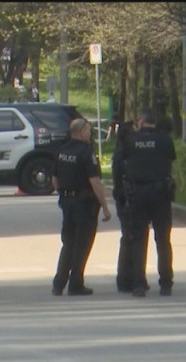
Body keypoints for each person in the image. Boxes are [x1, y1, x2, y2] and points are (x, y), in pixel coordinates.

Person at [51, 118, 112, 296]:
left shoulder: (61, 151)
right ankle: (76, 283)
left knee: (68, 242)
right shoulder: (86, 153)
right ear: (81, 132)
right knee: (82, 244)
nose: (90, 133)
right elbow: (95, 182)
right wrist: (105, 207)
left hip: (67, 202)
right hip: (84, 204)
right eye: (88, 130)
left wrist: (63, 193)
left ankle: (59, 283)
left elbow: (54, 179)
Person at [123, 108, 177, 297]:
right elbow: (171, 158)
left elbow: (124, 160)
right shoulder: (164, 139)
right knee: (163, 240)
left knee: (139, 239)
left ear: (140, 121)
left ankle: (138, 283)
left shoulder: (131, 140)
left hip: (138, 193)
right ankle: (166, 283)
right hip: (161, 193)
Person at [111, 119, 148, 293]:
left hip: (122, 198)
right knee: (132, 238)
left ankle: (125, 278)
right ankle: (129, 278)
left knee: (128, 238)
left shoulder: (120, 152)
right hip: (127, 199)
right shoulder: (125, 155)